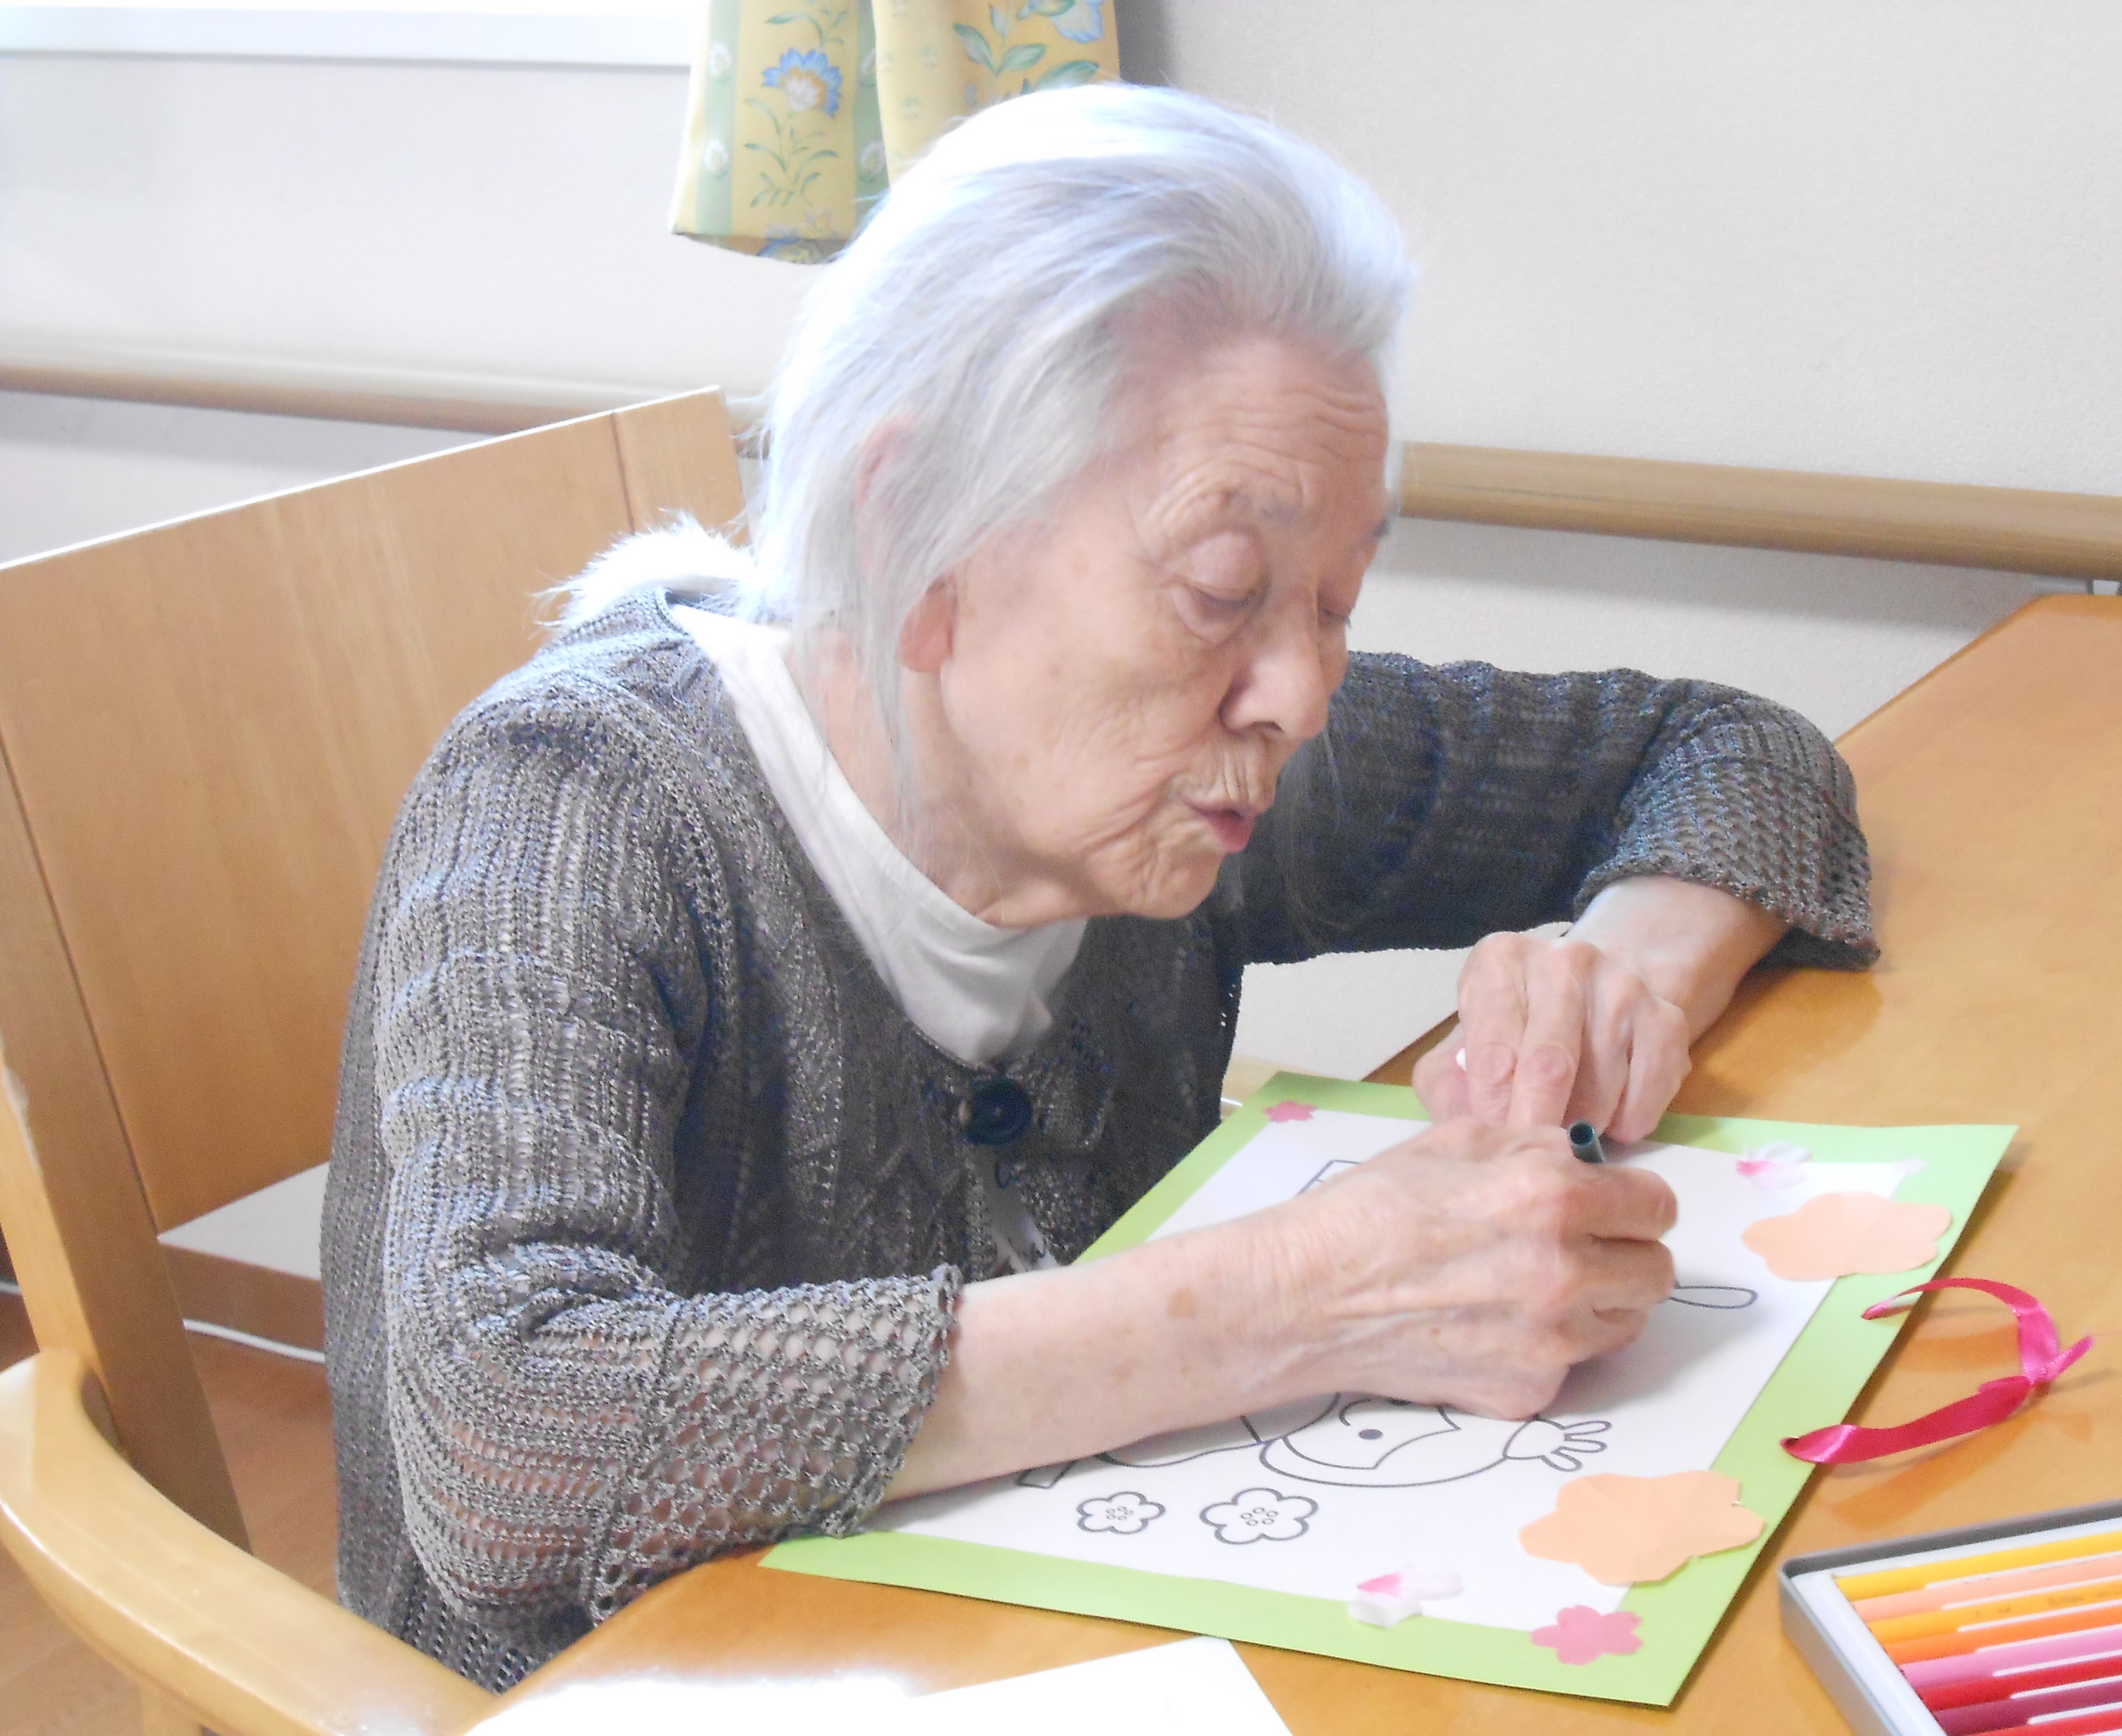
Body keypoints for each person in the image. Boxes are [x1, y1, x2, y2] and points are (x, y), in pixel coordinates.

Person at [321, 84, 1874, 1687]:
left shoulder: (1212, 759)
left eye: (1337, 600)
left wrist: (1626, 970)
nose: (1303, 695)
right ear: (913, 536)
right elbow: (503, 1439)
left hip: (1069, 1633)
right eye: (1223, 588)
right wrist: (1304, 1295)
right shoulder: (577, 803)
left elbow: (1731, 751)